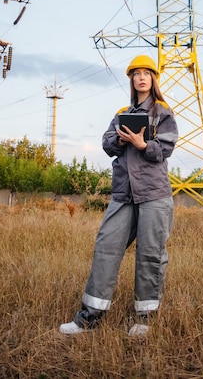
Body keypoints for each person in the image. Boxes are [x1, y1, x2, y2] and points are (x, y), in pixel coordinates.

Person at [59, 54, 179, 337]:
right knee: (106, 249)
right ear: (131, 79)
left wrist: (142, 143)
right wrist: (120, 139)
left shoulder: (163, 112)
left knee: (150, 254)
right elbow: (106, 142)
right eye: (136, 74)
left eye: (146, 73)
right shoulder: (121, 112)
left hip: (153, 194)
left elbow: (165, 149)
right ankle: (89, 318)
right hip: (124, 194)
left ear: (153, 79)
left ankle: (144, 319)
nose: (141, 78)